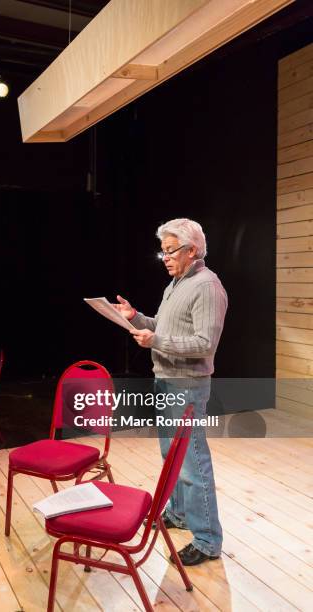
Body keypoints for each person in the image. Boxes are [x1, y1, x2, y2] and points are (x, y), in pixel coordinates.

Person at [114, 218, 227, 566]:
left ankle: (207, 540)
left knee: (193, 464)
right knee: (172, 457)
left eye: (170, 251)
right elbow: (162, 328)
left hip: (187, 386)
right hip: (166, 381)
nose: (164, 258)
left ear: (192, 250)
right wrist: (136, 318)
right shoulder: (175, 284)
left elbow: (205, 344)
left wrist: (156, 340)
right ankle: (178, 515)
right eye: (162, 251)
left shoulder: (207, 286)